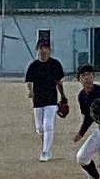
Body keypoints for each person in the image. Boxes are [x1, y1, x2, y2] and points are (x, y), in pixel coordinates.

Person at [26, 31, 68, 161]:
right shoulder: (33, 66)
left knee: (48, 125)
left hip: (51, 99)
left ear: (49, 50)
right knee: (39, 128)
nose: (43, 50)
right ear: (37, 50)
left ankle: (45, 151)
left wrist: (63, 95)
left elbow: (58, 82)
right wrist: (31, 90)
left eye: (46, 48)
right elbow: (29, 81)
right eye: (41, 48)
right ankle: (46, 145)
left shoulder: (55, 64)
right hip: (38, 99)